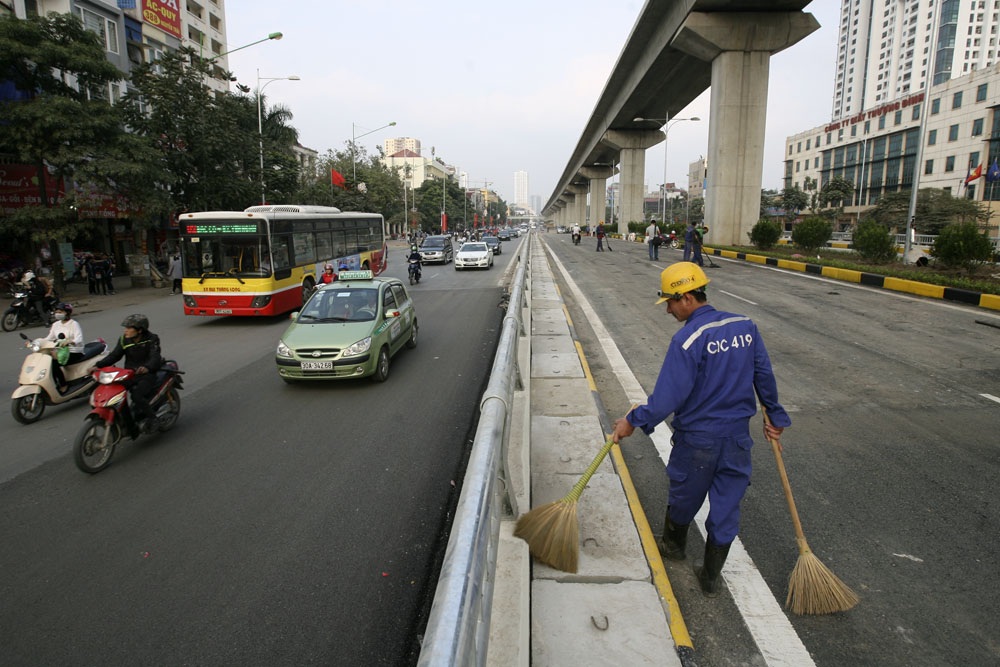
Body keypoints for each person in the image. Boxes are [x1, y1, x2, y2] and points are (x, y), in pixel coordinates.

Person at [611, 262, 791, 598]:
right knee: (726, 503)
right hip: (737, 438)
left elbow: (667, 397)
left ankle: (675, 546)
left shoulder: (688, 339)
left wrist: (633, 421)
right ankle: (710, 578)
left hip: (698, 439)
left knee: (685, 494)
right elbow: (763, 376)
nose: (668, 310)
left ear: (687, 297)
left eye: (670, 302)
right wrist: (775, 418)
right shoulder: (746, 326)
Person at [102, 314, 163, 433]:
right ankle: (128, 423)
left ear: (140, 330)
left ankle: (153, 418)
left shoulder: (152, 338)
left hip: (147, 374)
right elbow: (114, 355)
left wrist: (147, 367)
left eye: (129, 328)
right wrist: (97, 365)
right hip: (129, 374)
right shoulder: (124, 339)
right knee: (116, 393)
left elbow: (155, 357)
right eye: (125, 328)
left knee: (137, 396)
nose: (126, 331)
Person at [41, 303, 84, 391]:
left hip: (74, 351)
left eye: (60, 312)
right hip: (60, 351)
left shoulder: (74, 324)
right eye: (56, 312)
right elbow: (49, 338)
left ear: (67, 313)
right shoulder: (56, 325)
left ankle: (63, 384)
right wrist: (37, 342)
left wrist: (70, 341)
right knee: (45, 361)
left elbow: (79, 338)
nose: (58, 314)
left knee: (54, 363)